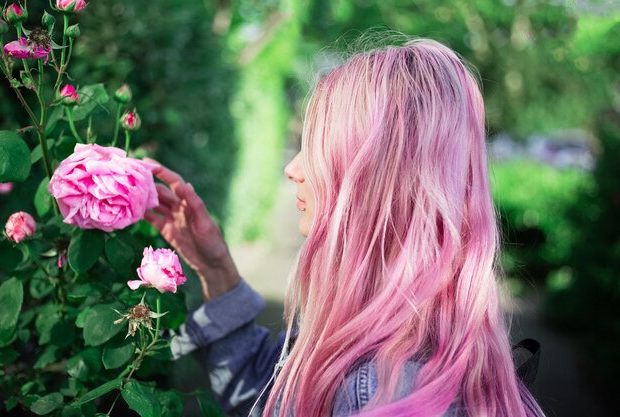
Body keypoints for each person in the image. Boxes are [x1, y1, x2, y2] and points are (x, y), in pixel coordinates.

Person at [144, 36, 546, 417]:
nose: (292, 169)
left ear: (375, 180)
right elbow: (269, 395)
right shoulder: (391, 337)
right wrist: (215, 269)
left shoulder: (383, 390)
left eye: (316, 150)